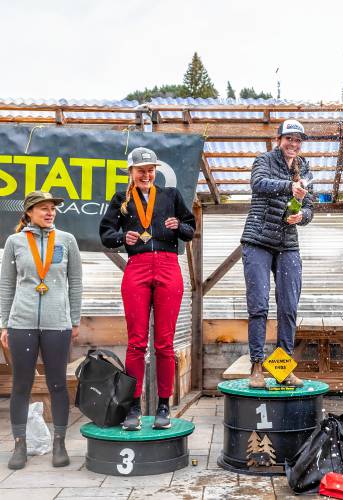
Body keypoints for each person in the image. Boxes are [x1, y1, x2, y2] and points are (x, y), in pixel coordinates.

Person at [99, 147, 195, 431]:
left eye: (150, 169)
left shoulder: (170, 196)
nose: (146, 174)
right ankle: (133, 407)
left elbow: (190, 228)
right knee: (136, 343)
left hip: (167, 265)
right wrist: (121, 236)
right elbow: (106, 234)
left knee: (164, 343)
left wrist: (179, 225)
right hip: (137, 266)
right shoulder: (121, 199)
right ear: (131, 172)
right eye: (141, 170)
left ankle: (164, 405)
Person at [0, 190, 83, 470]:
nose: (50, 213)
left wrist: (74, 319)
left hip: (57, 323)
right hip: (21, 322)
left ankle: (59, 443)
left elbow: (76, 283)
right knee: (21, 385)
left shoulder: (67, 240)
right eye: (43, 208)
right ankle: (19, 445)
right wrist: (5, 323)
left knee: (58, 384)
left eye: (52, 209)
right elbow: (7, 285)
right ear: (29, 213)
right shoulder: (14, 242)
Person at [241, 119, 314, 389]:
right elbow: (258, 184)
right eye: (289, 139)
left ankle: (282, 369)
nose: (293, 144)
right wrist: (288, 187)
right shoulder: (263, 160)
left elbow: (310, 205)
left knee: (288, 307)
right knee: (259, 305)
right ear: (279, 138)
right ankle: (257, 366)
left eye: (298, 140)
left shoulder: (304, 166)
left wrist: (302, 215)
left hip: (288, 243)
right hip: (258, 240)